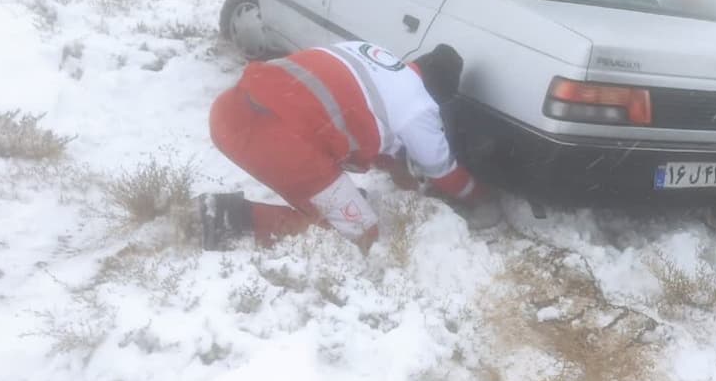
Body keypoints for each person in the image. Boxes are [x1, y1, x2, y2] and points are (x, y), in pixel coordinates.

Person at [197, 40, 497, 251]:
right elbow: (444, 173)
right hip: (275, 140)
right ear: (437, 93)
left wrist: (401, 178)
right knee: (360, 235)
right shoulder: (419, 106)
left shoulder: (371, 53)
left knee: (342, 200)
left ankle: (225, 217)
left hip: (230, 109)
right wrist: (481, 197)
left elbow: (365, 123)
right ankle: (223, 220)